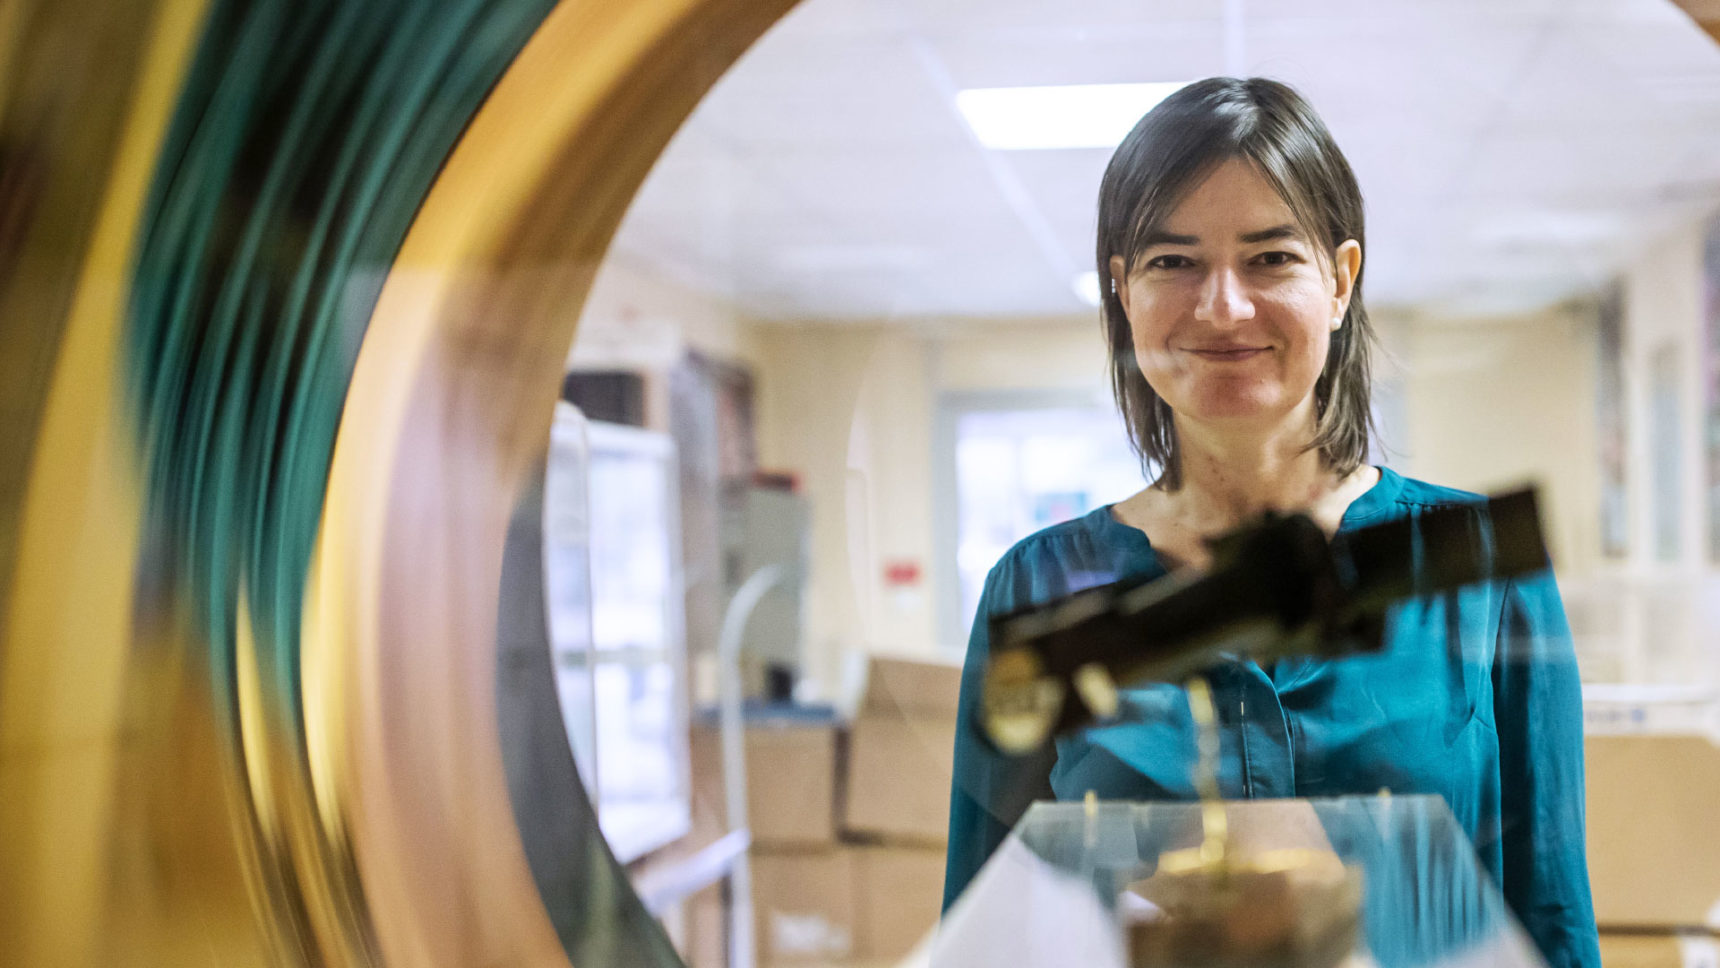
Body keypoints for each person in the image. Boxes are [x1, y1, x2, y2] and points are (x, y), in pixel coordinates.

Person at [941, 77, 1599, 968]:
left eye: (1270, 257)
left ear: (1340, 280)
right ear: (1123, 291)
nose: (1222, 306)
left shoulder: (1473, 565)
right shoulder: (1039, 586)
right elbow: (992, 932)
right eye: (1173, 262)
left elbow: (1551, 914)